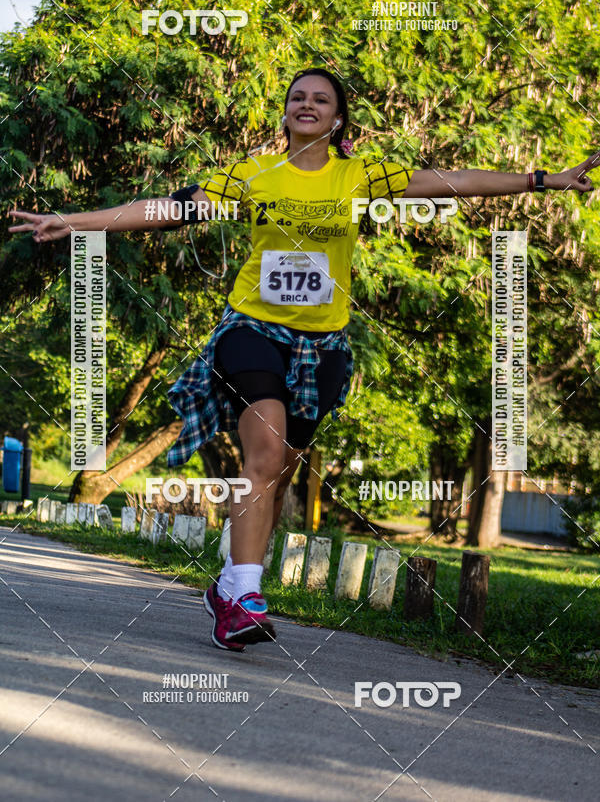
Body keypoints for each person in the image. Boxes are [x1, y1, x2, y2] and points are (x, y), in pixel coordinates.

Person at [9, 67, 598, 653]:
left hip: (325, 347)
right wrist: (73, 222)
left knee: (278, 470)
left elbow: (450, 181)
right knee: (263, 456)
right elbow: (167, 208)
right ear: (286, 112)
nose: (307, 105)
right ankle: (244, 597)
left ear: (338, 117)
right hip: (252, 327)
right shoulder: (254, 174)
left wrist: (543, 179)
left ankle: (228, 586)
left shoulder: (359, 175)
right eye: (297, 97)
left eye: (321, 99)